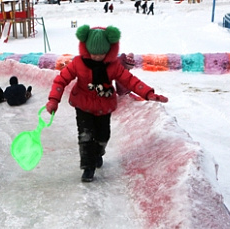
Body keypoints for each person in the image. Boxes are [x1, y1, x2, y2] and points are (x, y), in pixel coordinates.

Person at [45, 25, 168, 182]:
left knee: (103, 136)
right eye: (93, 53)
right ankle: (88, 168)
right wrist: (53, 100)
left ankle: (98, 153)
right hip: (83, 105)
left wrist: (148, 93)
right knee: (86, 136)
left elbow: (130, 81)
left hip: (104, 107)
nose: (97, 56)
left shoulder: (113, 66)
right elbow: (60, 80)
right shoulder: (78, 63)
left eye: (101, 53)